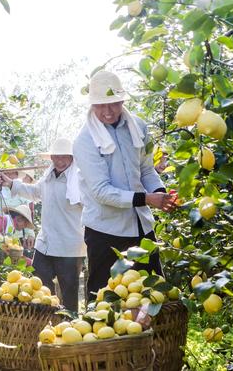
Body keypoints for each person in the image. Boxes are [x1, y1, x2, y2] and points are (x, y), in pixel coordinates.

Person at [72, 71, 177, 300]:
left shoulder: (138, 127)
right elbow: (101, 191)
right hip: (105, 232)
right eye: (101, 106)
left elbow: (146, 169)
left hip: (141, 228)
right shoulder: (85, 140)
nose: (107, 112)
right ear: (92, 105)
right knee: (104, 300)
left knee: (150, 296)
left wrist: (159, 193)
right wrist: (146, 199)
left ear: (122, 101)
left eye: (113, 104)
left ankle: (151, 336)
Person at [0, 138, 85, 312]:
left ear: (72, 158)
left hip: (69, 247)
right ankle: (45, 322)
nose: (60, 161)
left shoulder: (79, 180)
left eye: (64, 157)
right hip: (45, 243)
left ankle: (70, 327)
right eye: (56, 157)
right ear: (51, 157)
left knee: (69, 293)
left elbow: (92, 207)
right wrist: (11, 183)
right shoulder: (48, 177)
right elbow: (35, 192)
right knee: (40, 288)